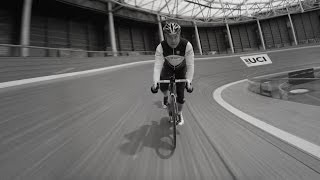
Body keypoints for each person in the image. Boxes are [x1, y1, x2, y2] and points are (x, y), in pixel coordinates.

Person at [151, 22, 194, 125]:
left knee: (181, 96)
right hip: (168, 68)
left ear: (180, 34)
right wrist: (155, 82)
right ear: (165, 36)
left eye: (176, 36)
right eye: (170, 37)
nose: (173, 40)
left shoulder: (187, 45)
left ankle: (179, 113)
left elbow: (190, 65)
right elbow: (157, 66)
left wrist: (189, 82)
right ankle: (166, 95)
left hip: (181, 69)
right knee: (162, 86)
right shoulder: (160, 47)